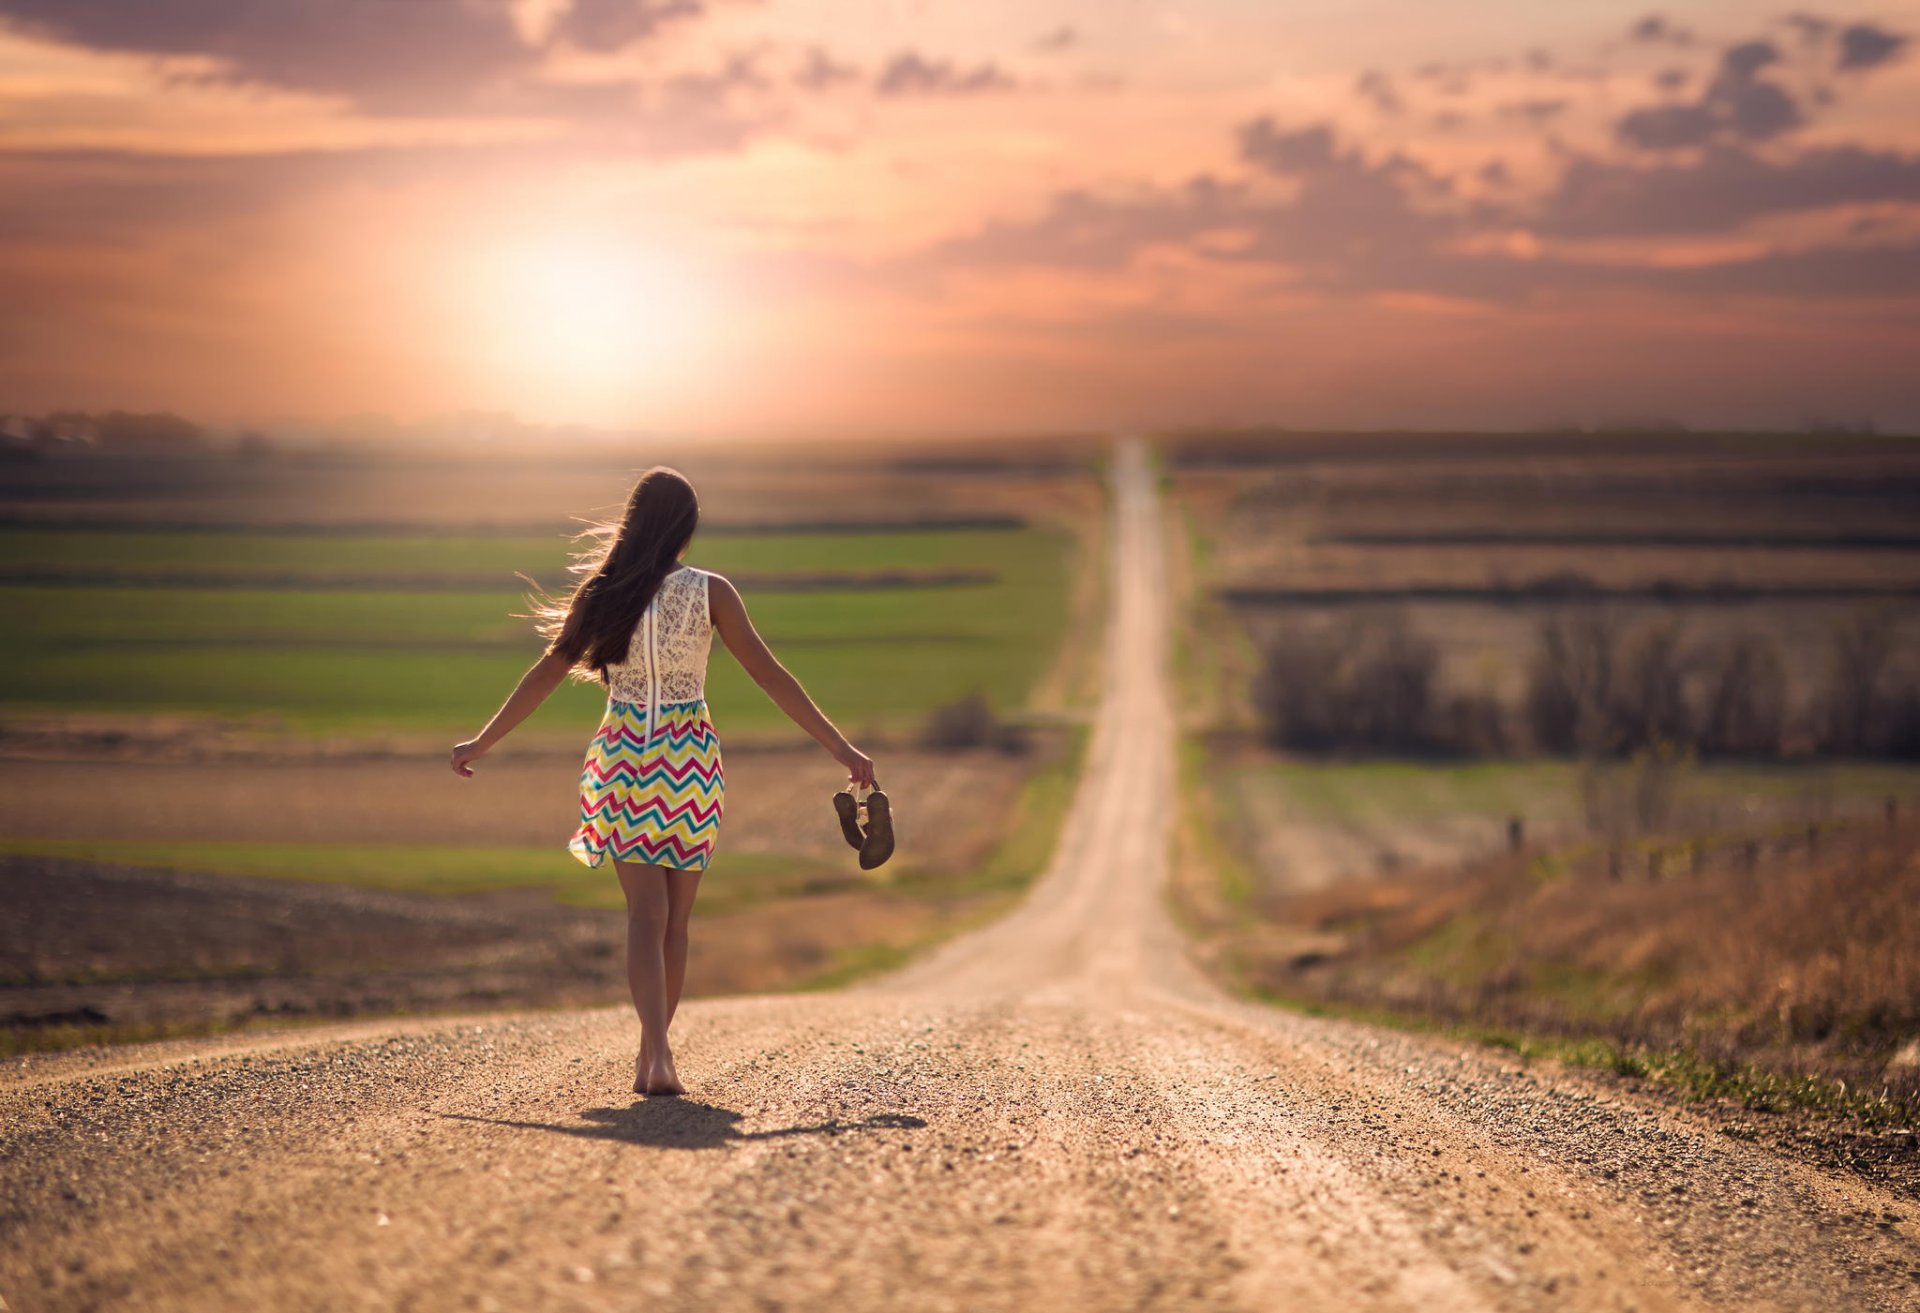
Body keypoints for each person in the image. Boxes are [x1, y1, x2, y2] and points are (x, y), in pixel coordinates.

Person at [449, 466, 876, 1096]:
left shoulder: (603, 592)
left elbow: (546, 673)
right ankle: (657, 1055)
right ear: (685, 529)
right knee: (675, 921)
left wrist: (483, 741)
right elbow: (771, 677)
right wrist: (842, 748)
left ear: (633, 523)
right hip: (690, 762)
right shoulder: (711, 590)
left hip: (624, 758)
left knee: (644, 917)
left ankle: (657, 1054)